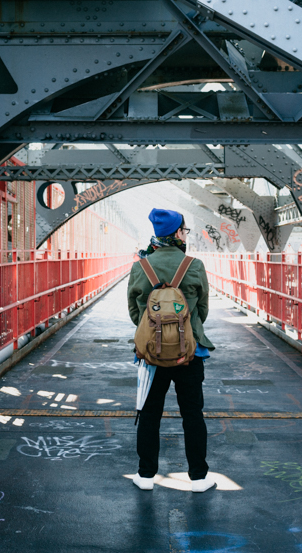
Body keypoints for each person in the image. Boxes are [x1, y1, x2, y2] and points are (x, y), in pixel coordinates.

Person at [127, 208, 215, 492]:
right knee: (192, 414)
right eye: (185, 230)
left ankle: (146, 476)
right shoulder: (194, 265)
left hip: (152, 358)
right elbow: (202, 308)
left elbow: (134, 312)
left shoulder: (141, 266)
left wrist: (154, 332)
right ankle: (199, 477)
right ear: (178, 233)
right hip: (190, 354)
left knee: (150, 414)